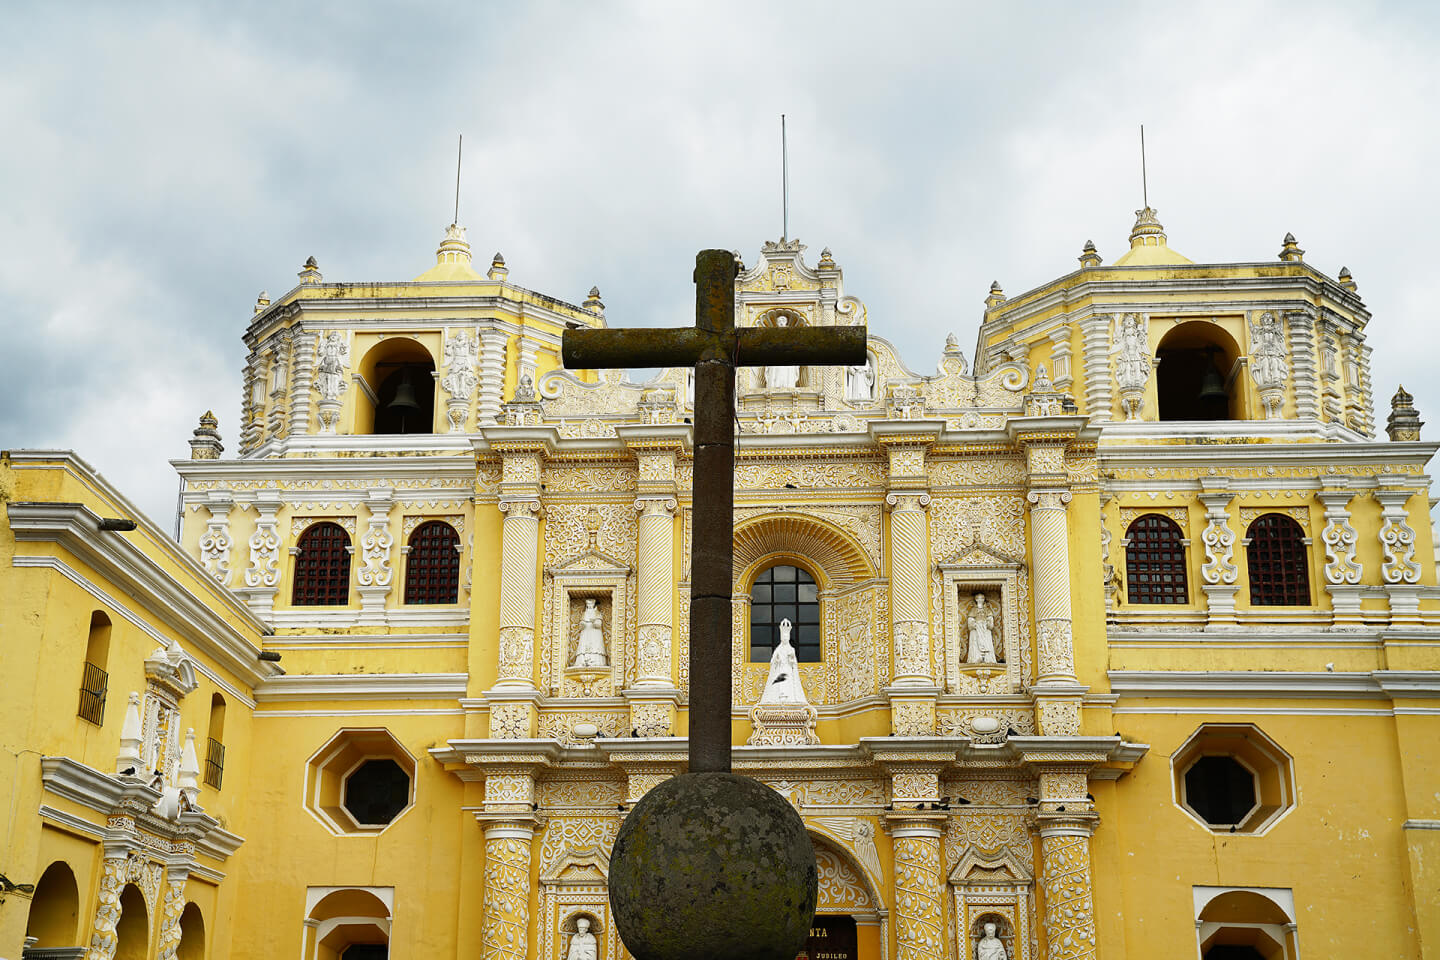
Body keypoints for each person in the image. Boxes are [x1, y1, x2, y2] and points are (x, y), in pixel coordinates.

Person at [759, 619, 808, 704]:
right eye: (784, 637)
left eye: (786, 637)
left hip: (788, 669)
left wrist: (791, 659)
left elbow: (794, 663)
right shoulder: (778, 649)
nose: (785, 639)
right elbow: (772, 661)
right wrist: (776, 660)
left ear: (788, 638)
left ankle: (788, 697)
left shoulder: (791, 649)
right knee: (780, 684)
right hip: (780, 669)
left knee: (787, 684)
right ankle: (780, 696)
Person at [764, 316, 801, 389]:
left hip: (788, 359)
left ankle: (788, 386)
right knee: (775, 373)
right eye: (779, 321)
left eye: (783, 321)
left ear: (786, 323)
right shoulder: (773, 335)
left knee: (787, 374)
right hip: (776, 358)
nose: (781, 323)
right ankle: (775, 386)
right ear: (777, 323)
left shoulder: (790, 335)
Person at [572, 599, 608, 668]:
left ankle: (595, 661)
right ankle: (583, 661)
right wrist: (582, 624)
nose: (589, 606)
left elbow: (599, 624)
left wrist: (595, 622)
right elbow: (581, 624)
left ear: (593, 605)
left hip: (595, 633)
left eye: (591, 604)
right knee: (584, 646)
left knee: (595, 646)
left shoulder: (597, 613)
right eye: (588, 605)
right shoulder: (584, 613)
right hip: (585, 632)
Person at [965, 593, 1000, 664]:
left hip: (985, 630)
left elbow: (990, 622)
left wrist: (986, 623)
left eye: (982, 598)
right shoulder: (973, 610)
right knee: (975, 643)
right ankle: (975, 658)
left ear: (984, 600)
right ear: (976, 600)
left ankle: (988, 659)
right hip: (976, 630)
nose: (980, 600)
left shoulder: (988, 610)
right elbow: (970, 621)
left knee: (987, 643)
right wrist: (975, 624)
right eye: (978, 598)